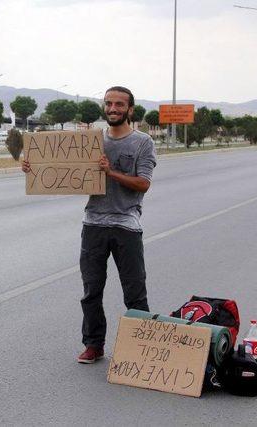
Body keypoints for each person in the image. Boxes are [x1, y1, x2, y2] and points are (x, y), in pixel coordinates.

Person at [21, 86, 157, 364]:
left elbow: (143, 183)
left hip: (126, 227)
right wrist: (34, 167)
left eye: (119, 104)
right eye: (108, 103)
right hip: (93, 225)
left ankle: (141, 349)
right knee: (91, 291)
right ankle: (94, 345)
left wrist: (111, 172)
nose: (113, 109)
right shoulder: (91, 141)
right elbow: (63, 169)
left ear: (130, 109)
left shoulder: (143, 142)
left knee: (135, 293)